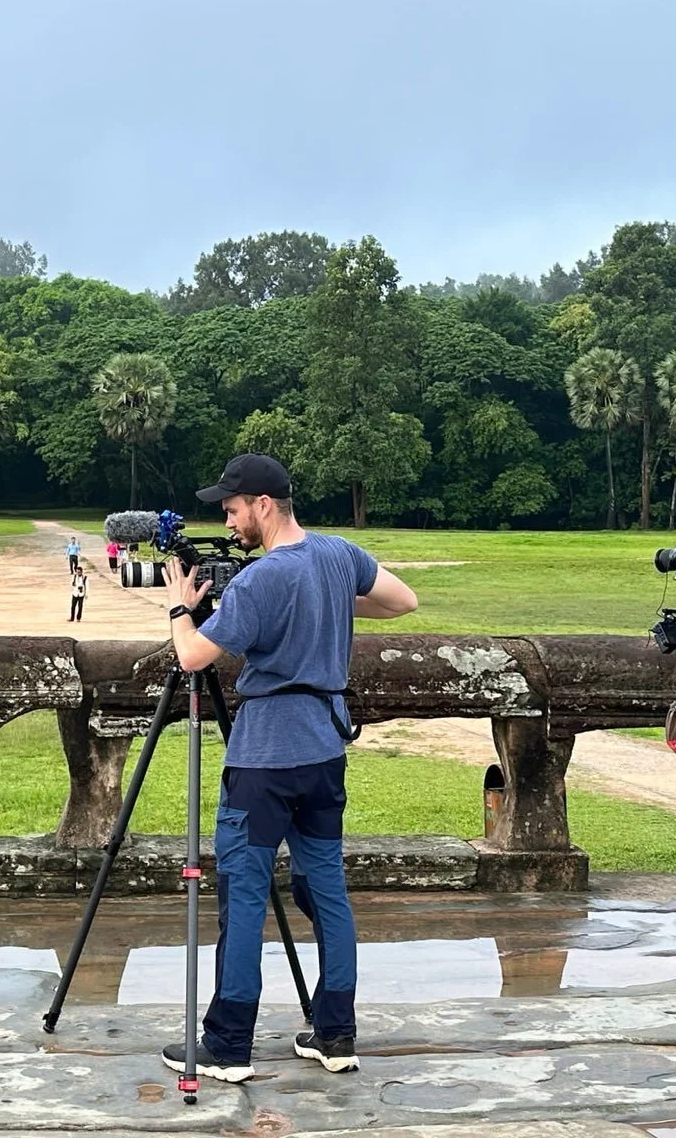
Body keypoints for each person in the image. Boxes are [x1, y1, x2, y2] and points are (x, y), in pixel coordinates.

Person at [156, 453, 418, 1084]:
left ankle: (228, 1042)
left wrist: (177, 606)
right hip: (325, 751)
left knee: (243, 894)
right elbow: (403, 601)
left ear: (263, 505)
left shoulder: (259, 582)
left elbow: (192, 656)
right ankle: (336, 1034)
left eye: (233, 507)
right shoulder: (338, 555)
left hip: (265, 757)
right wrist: (325, 611)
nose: (228, 517)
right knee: (326, 887)